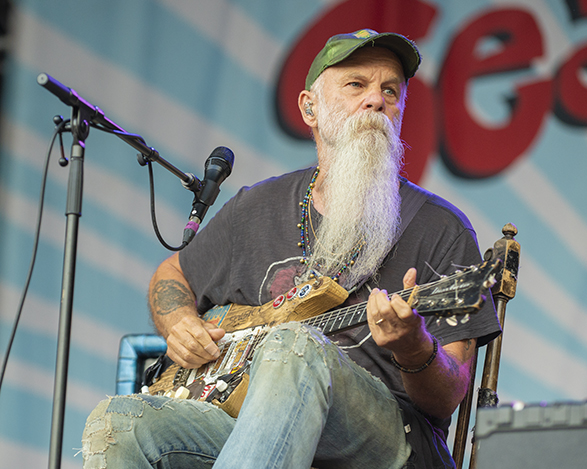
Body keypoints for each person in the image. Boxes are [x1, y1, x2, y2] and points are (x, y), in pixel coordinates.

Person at [82, 29, 500, 469]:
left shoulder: (442, 228)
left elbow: (448, 396)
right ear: (309, 108)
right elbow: (173, 273)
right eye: (356, 84)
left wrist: (414, 346)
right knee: (119, 423)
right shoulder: (256, 207)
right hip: (248, 429)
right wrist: (179, 323)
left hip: (392, 444)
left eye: (390, 91)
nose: (377, 100)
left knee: (294, 345)